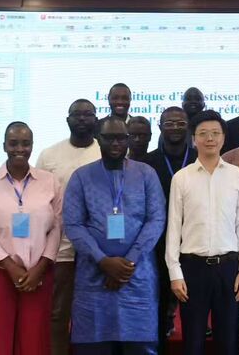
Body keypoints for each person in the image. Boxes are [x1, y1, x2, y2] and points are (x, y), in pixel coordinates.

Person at [62, 116, 167, 355]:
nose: (116, 143)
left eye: (121, 138)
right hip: (94, 275)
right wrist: (103, 261)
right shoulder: (81, 176)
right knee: (93, 345)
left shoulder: (146, 174)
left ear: (128, 139)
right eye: (109, 138)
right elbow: (73, 224)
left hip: (137, 274)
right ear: (97, 139)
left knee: (139, 346)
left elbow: (156, 219)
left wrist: (128, 263)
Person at [166, 110, 239, 355]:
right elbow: (174, 228)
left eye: (215, 133)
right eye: (203, 133)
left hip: (228, 268)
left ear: (224, 137)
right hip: (192, 269)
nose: (210, 138)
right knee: (193, 342)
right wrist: (175, 273)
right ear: (193, 139)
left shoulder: (237, 176)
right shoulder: (182, 178)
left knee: (228, 342)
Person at [0, 121, 62, 355]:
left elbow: (58, 227)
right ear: (4, 146)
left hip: (38, 272)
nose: (20, 149)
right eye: (13, 143)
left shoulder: (50, 182)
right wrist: (10, 266)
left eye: (25, 143)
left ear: (32, 146)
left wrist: (41, 267)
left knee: (34, 339)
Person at [36, 100, 103, 355]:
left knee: (94, 314)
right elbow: (37, 200)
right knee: (58, 313)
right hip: (61, 247)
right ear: (67, 120)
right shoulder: (49, 155)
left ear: (96, 120)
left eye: (88, 114)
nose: (82, 119)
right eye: (77, 114)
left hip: (98, 250)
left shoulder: (106, 151)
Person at [141, 106, 197, 352]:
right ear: (160, 127)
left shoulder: (199, 159)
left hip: (194, 242)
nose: (175, 127)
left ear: (189, 127)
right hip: (158, 243)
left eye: (180, 123)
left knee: (194, 310)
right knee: (160, 305)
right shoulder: (147, 163)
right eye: (169, 123)